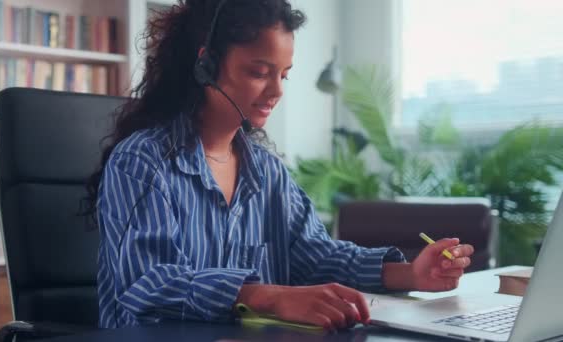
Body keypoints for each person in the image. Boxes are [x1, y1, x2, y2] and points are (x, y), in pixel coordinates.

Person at [86, 0, 475, 331]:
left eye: (284, 75)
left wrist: (410, 274)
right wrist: (267, 296)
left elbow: (314, 256)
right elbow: (146, 283)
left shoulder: (265, 171)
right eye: (259, 72)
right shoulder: (142, 162)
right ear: (206, 65)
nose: (276, 92)